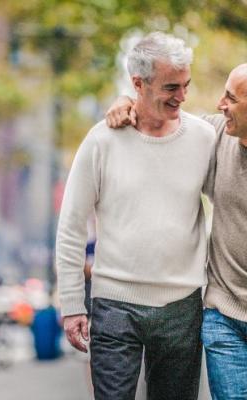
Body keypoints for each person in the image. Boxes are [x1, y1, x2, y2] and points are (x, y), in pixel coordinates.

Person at [56, 31, 216, 400]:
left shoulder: (204, 138)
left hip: (181, 306)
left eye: (186, 85)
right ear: (138, 84)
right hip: (114, 304)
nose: (182, 96)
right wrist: (71, 304)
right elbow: (71, 227)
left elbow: (230, 198)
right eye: (171, 87)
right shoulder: (102, 141)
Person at [105, 63, 247, 400]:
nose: (219, 104)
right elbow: (160, 121)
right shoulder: (215, 136)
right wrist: (127, 101)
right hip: (225, 317)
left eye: (230, 97)